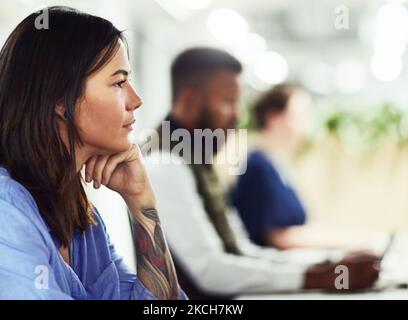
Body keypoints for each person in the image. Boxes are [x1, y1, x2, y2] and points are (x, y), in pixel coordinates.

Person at [0, 6, 186, 300]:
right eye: (119, 82)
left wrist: (141, 201)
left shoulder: (81, 218)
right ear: (61, 100)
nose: (136, 100)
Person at [143, 47, 380, 299]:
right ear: (190, 100)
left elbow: (242, 251)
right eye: (227, 101)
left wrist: (326, 264)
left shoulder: (195, 158)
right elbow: (210, 271)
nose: (238, 114)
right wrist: (321, 276)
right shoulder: (164, 163)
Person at [231, 84, 379, 251]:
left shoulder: (278, 164)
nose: (306, 125)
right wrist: (353, 242)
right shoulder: (258, 167)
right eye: (300, 115)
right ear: (274, 117)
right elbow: (277, 237)